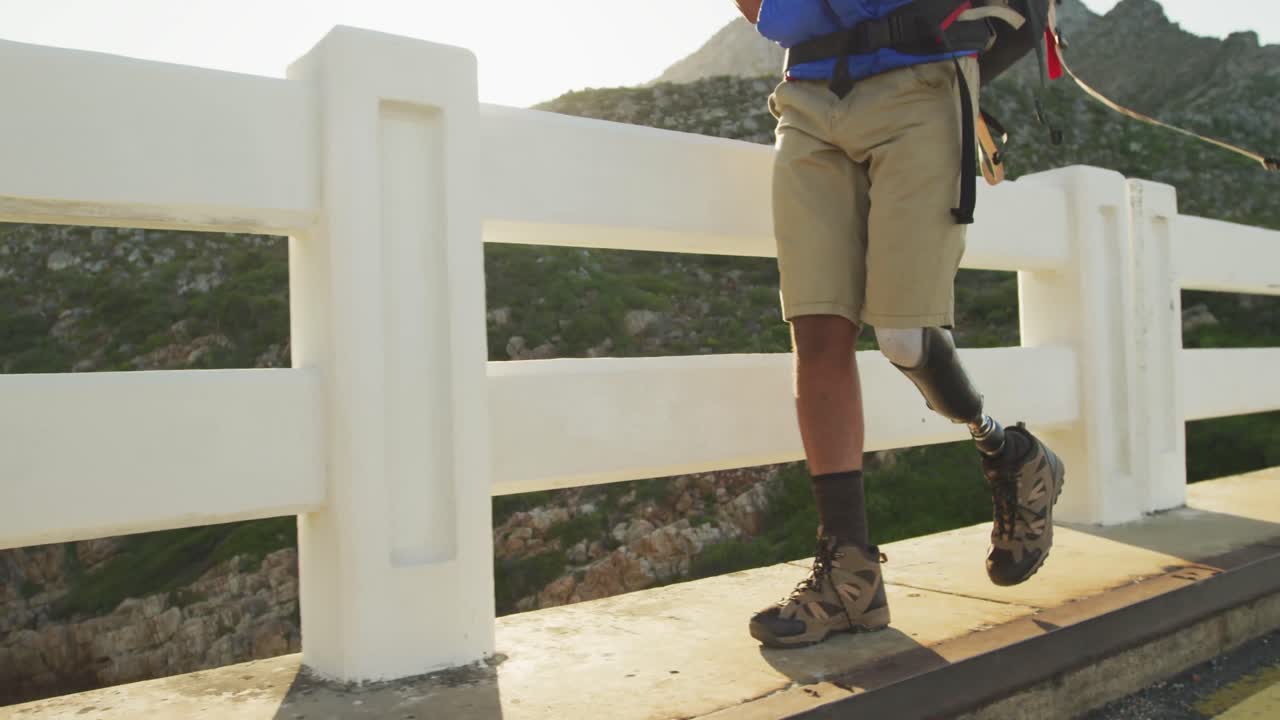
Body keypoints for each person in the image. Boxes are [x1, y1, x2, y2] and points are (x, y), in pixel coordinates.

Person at [732, 0, 1067, 648]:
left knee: (904, 336)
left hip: (924, 81)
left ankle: (1009, 452)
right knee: (817, 332)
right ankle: (850, 577)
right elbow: (763, 11)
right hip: (808, 96)